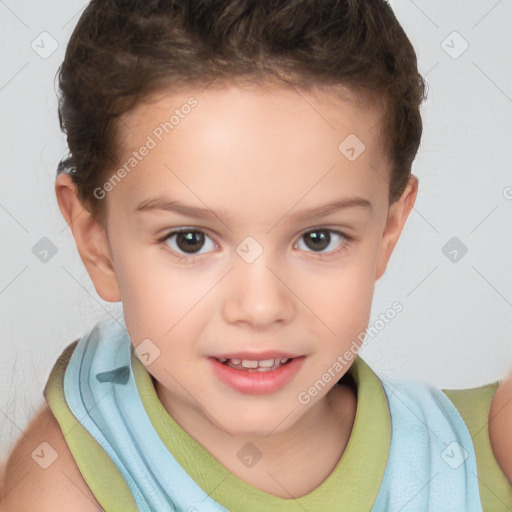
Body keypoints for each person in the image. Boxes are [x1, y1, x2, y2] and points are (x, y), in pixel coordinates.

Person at [1, 0, 511, 510]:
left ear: (388, 231)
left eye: (318, 238)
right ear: (97, 243)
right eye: (190, 240)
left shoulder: (485, 451)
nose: (261, 306)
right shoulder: (66, 488)